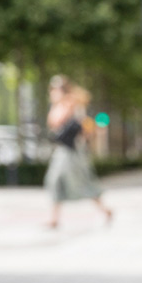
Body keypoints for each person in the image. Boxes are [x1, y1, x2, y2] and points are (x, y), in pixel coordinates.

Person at [43, 76, 113, 229]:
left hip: (71, 151)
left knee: (82, 181)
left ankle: (105, 210)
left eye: (55, 90)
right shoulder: (60, 105)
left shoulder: (71, 104)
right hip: (62, 150)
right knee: (55, 181)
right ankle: (54, 218)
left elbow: (56, 121)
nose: (53, 93)